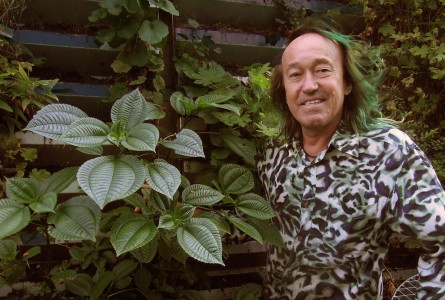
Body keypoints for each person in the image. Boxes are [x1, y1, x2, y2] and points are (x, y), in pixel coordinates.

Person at [256, 17, 445, 299]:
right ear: (284, 90)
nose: (309, 86)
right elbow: (250, 216)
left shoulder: (388, 152)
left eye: (322, 70)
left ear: (346, 82)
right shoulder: (273, 152)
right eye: (295, 75)